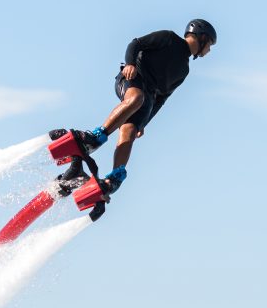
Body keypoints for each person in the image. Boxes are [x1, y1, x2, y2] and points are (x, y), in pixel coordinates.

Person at [57, 19, 217, 195]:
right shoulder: (169, 38)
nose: (209, 50)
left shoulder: (184, 70)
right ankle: (96, 137)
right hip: (133, 77)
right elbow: (136, 44)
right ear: (202, 37)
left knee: (130, 130)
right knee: (136, 98)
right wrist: (130, 63)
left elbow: (162, 99)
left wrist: (144, 123)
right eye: (209, 44)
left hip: (148, 96)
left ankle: (114, 177)